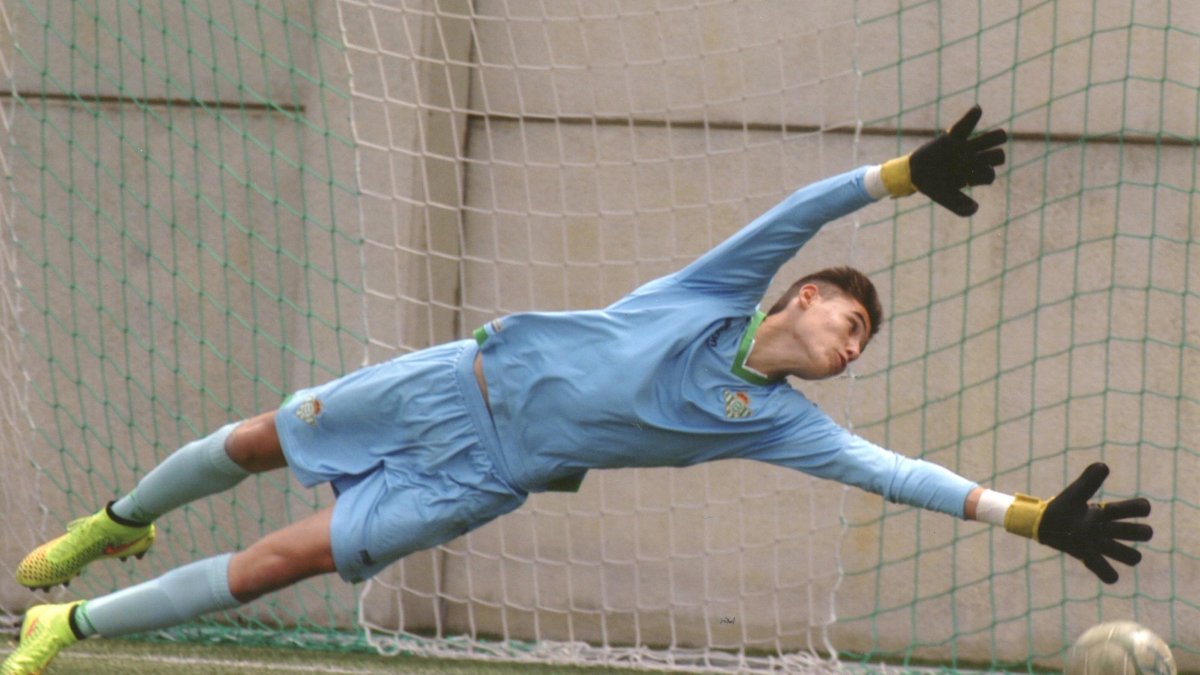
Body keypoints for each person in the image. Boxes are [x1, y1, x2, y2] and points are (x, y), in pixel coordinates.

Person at [2, 106, 1152, 674]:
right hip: (452, 386)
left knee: (275, 565)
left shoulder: (781, 424)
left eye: (860, 345)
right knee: (254, 443)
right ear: (797, 301)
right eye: (845, 320)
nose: (849, 346)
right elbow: (802, 210)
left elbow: (897, 474)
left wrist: (1031, 516)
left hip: (484, 476)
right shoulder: (720, 290)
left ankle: (67, 623)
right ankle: (115, 526)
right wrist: (901, 177)